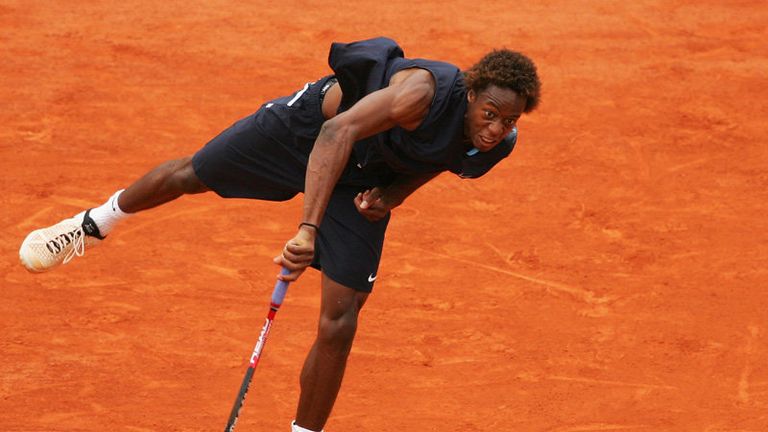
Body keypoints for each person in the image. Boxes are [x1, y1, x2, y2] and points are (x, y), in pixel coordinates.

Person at [19, 37, 541, 431]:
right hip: (308, 131)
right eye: (489, 114)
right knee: (192, 174)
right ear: (469, 93)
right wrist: (307, 231)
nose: (495, 128)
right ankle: (94, 223)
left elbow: (442, 159)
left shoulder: (496, 143)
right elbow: (337, 132)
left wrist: (393, 194)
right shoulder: (419, 94)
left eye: (508, 121)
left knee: (341, 320)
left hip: (363, 175)